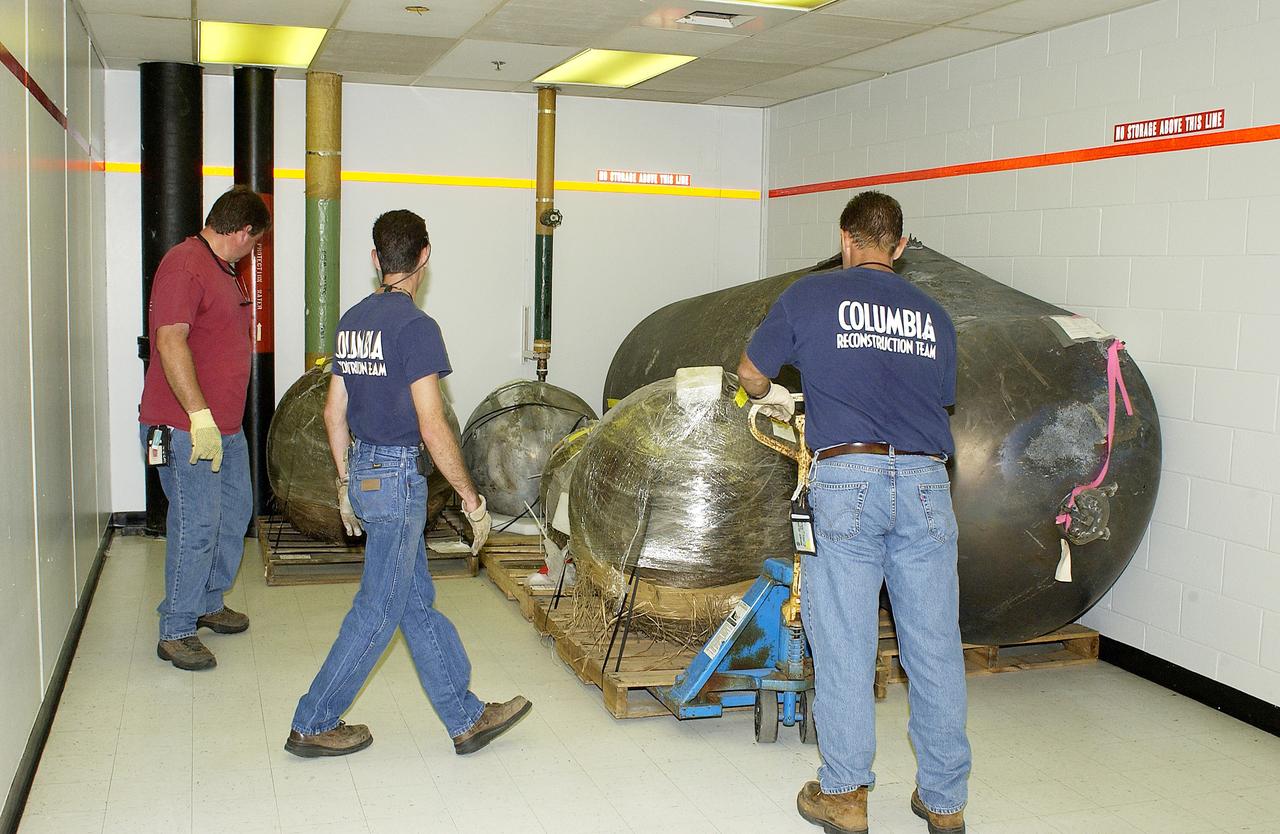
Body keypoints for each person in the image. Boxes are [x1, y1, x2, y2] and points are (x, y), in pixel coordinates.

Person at [738, 191, 970, 834]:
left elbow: (751, 374)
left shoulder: (810, 296)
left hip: (848, 480)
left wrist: (786, 390)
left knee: (843, 640)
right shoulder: (934, 314)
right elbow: (937, 396)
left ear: (846, 239)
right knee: (933, 646)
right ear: (899, 247)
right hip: (926, 483)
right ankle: (945, 803)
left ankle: (845, 795)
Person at [285, 209, 530, 758]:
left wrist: (347, 482)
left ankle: (464, 716)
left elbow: (332, 414)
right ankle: (314, 719)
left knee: (414, 600)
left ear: (376, 259)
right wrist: (469, 495)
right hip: (397, 480)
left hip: (368, 473)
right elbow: (431, 421)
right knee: (378, 607)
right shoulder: (418, 329)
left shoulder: (351, 321)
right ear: (424, 258)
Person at [140, 185, 271, 671]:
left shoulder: (222, 270)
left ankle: (207, 600)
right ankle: (176, 627)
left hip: (225, 429)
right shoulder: (184, 265)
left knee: (233, 514)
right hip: (184, 427)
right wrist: (198, 417)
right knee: (195, 524)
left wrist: (219, 423)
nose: (254, 249)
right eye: (255, 241)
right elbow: (171, 342)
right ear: (241, 232)